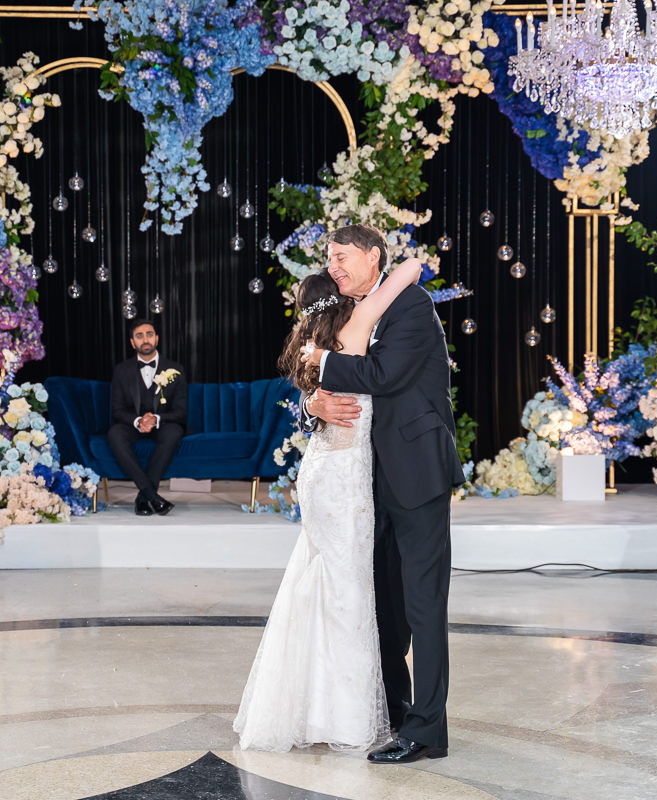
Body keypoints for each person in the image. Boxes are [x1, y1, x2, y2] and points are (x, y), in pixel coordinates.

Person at [233, 253, 425, 752]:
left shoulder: (312, 345)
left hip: (321, 472)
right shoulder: (356, 326)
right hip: (344, 481)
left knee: (321, 580)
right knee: (347, 591)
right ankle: (343, 718)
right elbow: (411, 268)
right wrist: (365, 269)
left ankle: (310, 708)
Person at [304, 224, 466, 764]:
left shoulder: (411, 305)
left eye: (342, 256)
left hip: (416, 475)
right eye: (329, 258)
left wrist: (321, 361)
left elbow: (385, 373)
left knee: (423, 606)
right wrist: (312, 402)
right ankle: (395, 712)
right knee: (384, 608)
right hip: (363, 483)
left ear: (374, 256)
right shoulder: (347, 312)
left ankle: (427, 731)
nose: (333, 266)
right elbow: (314, 389)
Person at [108, 319, 188, 516]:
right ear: (132, 342)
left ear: (157, 339)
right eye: (139, 336)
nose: (145, 340)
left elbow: (181, 412)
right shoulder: (121, 370)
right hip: (133, 426)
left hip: (163, 425)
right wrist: (138, 421)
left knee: (175, 432)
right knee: (114, 433)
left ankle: (144, 499)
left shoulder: (175, 369)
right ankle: (152, 496)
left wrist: (155, 419)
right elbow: (117, 411)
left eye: (149, 334)